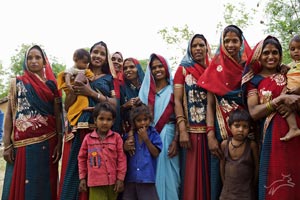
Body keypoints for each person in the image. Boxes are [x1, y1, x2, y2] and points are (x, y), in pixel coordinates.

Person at [59, 41, 120, 200]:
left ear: (106, 58)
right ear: (89, 54)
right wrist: (75, 86)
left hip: (100, 131)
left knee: (97, 169)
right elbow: (67, 104)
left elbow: (114, 104)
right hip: (78, 127)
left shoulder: (109, 78)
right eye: (95, 52)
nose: (98, 56)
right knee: (75, 169)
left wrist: (90, 92)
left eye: (102, 53)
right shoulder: (76, 73)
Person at [1, 45, 63, 200]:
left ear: (44, 62)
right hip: (22, 145)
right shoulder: (17, 83)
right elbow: (9, 115)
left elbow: (58, 116)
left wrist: (60, 143)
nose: (33, 61)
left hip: (48, 143)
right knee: (22, 186)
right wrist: (7, 144)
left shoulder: (52, 85)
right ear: (25, 61)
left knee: (44, 185)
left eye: (37, 57)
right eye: (30, 58)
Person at [242, 35, 300, 200]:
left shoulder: (290, 74)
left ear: (281, 56)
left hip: (296, 133)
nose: (270, 56)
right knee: (275, 184)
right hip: (271, 138)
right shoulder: (254, 81)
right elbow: (253, 112)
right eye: (266, 53)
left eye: (275, 52)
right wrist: (280, 100)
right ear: (259, 56)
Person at [197, 25, 252, 200]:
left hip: (247, 132)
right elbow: (211, 105)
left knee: (248, 175)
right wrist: (210, 135)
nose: (230, 45)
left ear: (241, 42)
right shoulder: (215, 69)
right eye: (226, 41)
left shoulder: (249, 68)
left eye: (234, 40)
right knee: (220, 177)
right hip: (221, 134)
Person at [173, 34, 211, 200]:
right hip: (190, 132)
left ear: (206, 47)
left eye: (201, 45)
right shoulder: (183, 69)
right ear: (189, 48)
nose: (198, 49)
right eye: (194, 45)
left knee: (210, 175)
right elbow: (177, 100)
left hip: (211, 131)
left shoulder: (213, 68)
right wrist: (182, 129)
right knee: (191, 178)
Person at [139, 53, 180, 200]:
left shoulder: (174, 89)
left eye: (160, 66)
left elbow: (179, 117)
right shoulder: (145, 92)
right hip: (149, 139)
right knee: (151, 174)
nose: (157, 70)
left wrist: (176, 140)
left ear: (166, 67)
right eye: (154, 67)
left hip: (168, 135)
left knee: (170, 176)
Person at [78, 102, 127, 200]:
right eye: (101, 119)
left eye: (108, 119)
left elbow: (122, 159)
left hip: (113, 183)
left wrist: (120, 179)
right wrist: (82, 178)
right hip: (95, 183)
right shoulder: (88, 139)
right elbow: (81, 159)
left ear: (113, 121)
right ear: (95, 120)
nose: (105, 122)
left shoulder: (117, 138)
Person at [123, 103, 162, 200]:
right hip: (131, 178)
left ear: (150, 119)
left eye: (145, 119)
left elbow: (156, 153)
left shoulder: (153, 134)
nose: (143, 123)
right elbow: (122, 150)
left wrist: (146, 139)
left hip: (147, 178)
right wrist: (125, 146)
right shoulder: (130, 136)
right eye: (139, 120)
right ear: (134, 122)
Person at [219, 109, 259, 200]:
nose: (241, 130)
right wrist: (225, 184)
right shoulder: (225, 144)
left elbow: (257, 167)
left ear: (249, 129)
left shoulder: (252, 145)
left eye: (245, 126)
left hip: (246, 193)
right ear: (229, 127)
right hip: (227, 193)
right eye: (237, 126)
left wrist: (252, 186)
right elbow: (222, 166)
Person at [57, 48, 94, 128]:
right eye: (84, 62)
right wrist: (69, 85)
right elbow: (67, 76)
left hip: (81, 89)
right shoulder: (72, 69)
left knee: (83, 98)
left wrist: (90, 78)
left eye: (87, 63)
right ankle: (76, 112)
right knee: (81, 99)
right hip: (73, 89)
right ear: (76, 59)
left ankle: (81, 109)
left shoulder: (84, 70)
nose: (86, 65)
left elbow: (90, 76)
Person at [279, 34, 300, 141]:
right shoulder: (290, 65)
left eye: (299, 48)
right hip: (291, 94)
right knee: (283, 103)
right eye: (293, 49)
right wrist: (283, 67)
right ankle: (293, 128)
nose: (296, 51)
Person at [120, 57, 145, 135]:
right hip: (129, 130)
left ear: (138, 68)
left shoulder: (147, 86)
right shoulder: (122, 87)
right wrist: (125, 105)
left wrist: (144, 100)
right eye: (125, 68)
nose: (128, 70)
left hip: (148, 127)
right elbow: (117, 110)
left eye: (132, 67)